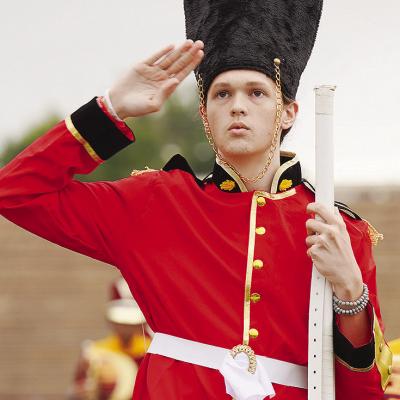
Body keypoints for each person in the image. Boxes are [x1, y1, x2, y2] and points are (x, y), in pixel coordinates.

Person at [0, 1, 392, 399]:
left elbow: (365, 391)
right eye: (222, 94)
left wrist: (349, 291)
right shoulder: (155, 203)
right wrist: (110, 109)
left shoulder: (339, 231)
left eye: (256, 92)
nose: (237, 105)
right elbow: (16, 192)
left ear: (288, 112)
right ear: (204, 113)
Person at [69, 278, 151, 400]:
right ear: (111, 322)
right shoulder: (94, 352)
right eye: (120, 322)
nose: (125, 328)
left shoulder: (150, 352)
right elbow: (77, 390)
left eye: (130, 323)